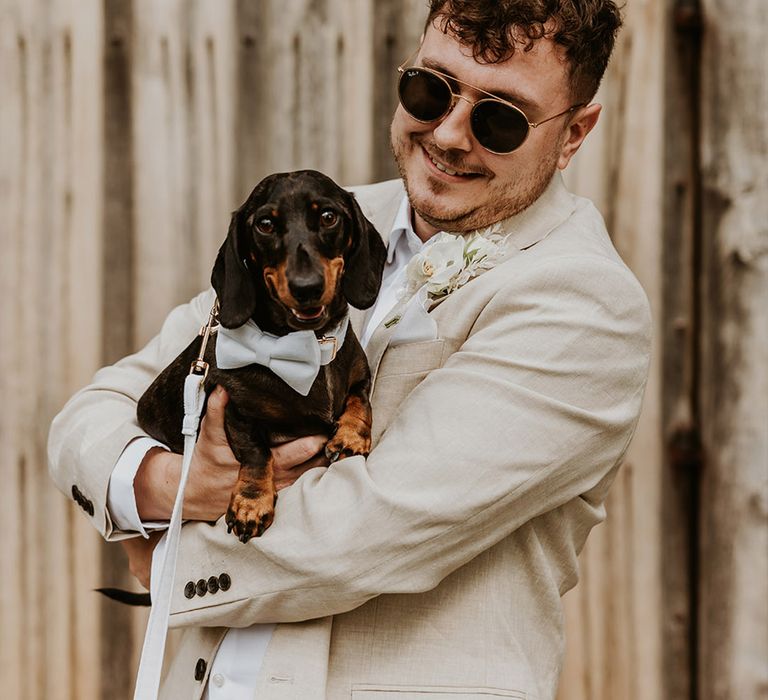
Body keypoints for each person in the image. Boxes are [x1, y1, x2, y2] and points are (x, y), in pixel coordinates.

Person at [48, 1, 651, 698]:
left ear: (574, 133)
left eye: (499, 119)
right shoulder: (325, 221)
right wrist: (161, 484)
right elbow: (91, 414)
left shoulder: (585, 303)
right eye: (432, 90)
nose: (450, 135)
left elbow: (363, 533)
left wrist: (162, 558)